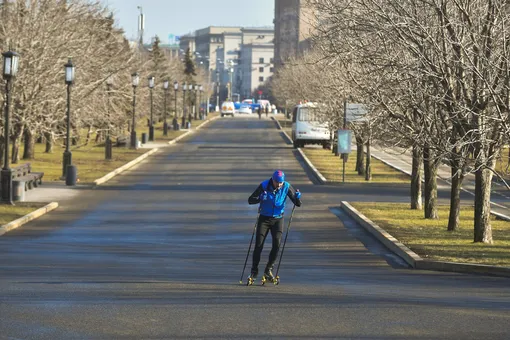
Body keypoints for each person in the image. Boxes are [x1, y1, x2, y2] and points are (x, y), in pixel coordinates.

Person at [247, 170, 302, 282]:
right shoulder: (264, 185)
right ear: (273, 179)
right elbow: (250, 200)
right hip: (264, 218)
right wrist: (260, 198)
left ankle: (268, 269)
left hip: (278, 219)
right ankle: (254, 271)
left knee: (277, 245)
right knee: (259, 245)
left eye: (281, 182)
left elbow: (297, 204)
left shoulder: (286, 186)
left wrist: (297, 197)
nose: (279, 185)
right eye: (277, 182)